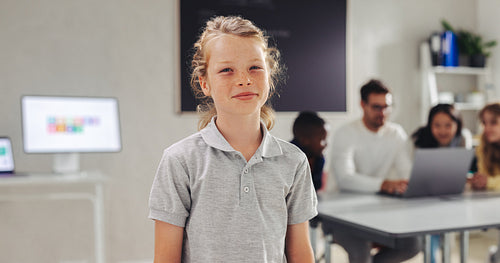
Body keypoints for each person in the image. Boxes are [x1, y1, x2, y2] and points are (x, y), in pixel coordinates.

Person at [148, 16, 317, 263]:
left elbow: (301, 253)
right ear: (204, 83)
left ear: (269, 75)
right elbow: (166, 259)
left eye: (255, 67)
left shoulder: (294, 162)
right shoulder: (180, 161)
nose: (244, 79)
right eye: (227, 70)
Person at [324, 79, 421, 263]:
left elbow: (406, 172)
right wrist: (384, 184)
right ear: (363, 105)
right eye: (377, 107)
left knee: (413, 244)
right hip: (340, 215)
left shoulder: (396, 133)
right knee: (361, 253)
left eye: (387, 107)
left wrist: (410, 183)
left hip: (377, 213)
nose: (383, 113)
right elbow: (346, 179)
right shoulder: (346, 133)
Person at [411, 103, 471, 263]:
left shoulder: (463, 139)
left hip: (451, 198)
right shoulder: (418, 140)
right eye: (437, 125)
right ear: (429, 125)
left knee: (448, 237)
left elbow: (465, 168)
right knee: (431, 239)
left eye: (448, 125)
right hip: (422, 200)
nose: (443, 131)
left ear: (457, 125)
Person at [291, 111, 328, 192]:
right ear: (305, 140)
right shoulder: (287, 158)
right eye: (322, 139)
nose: (326, 144)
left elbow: (316, 188)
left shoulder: (319, 159)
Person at [469, 103, 500, 191]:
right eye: (484, 123)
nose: (487, 128)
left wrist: (488, 182)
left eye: (493, 122)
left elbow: (488, 180)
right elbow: (484, 175)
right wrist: (478, 181)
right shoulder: (484, 146)